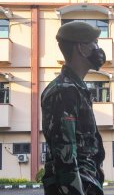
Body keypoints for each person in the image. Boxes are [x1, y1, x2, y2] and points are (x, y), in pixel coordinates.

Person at [41, 21, 106, 195]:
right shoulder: (64, 91)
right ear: (81, 48)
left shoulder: (76, 88)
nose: (98, 49)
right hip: (75, 188)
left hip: (87, 183)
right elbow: (65, 156)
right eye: (94, 43)